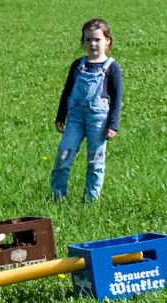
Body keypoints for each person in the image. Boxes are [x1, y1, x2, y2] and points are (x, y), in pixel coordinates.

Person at [51, 18, 122, 202]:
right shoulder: (78, 65)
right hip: (75, 118)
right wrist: (61, 116)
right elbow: (67, 91)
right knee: (63, 156)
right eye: (88, 39)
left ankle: (90, 201)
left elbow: (117, 99)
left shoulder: (112, 67)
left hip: (98, 120)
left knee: (95, 161)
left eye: (97, 39)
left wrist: (113, 125)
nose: (92, 44)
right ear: (83, 41)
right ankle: (57, 197)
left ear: (107, 41)